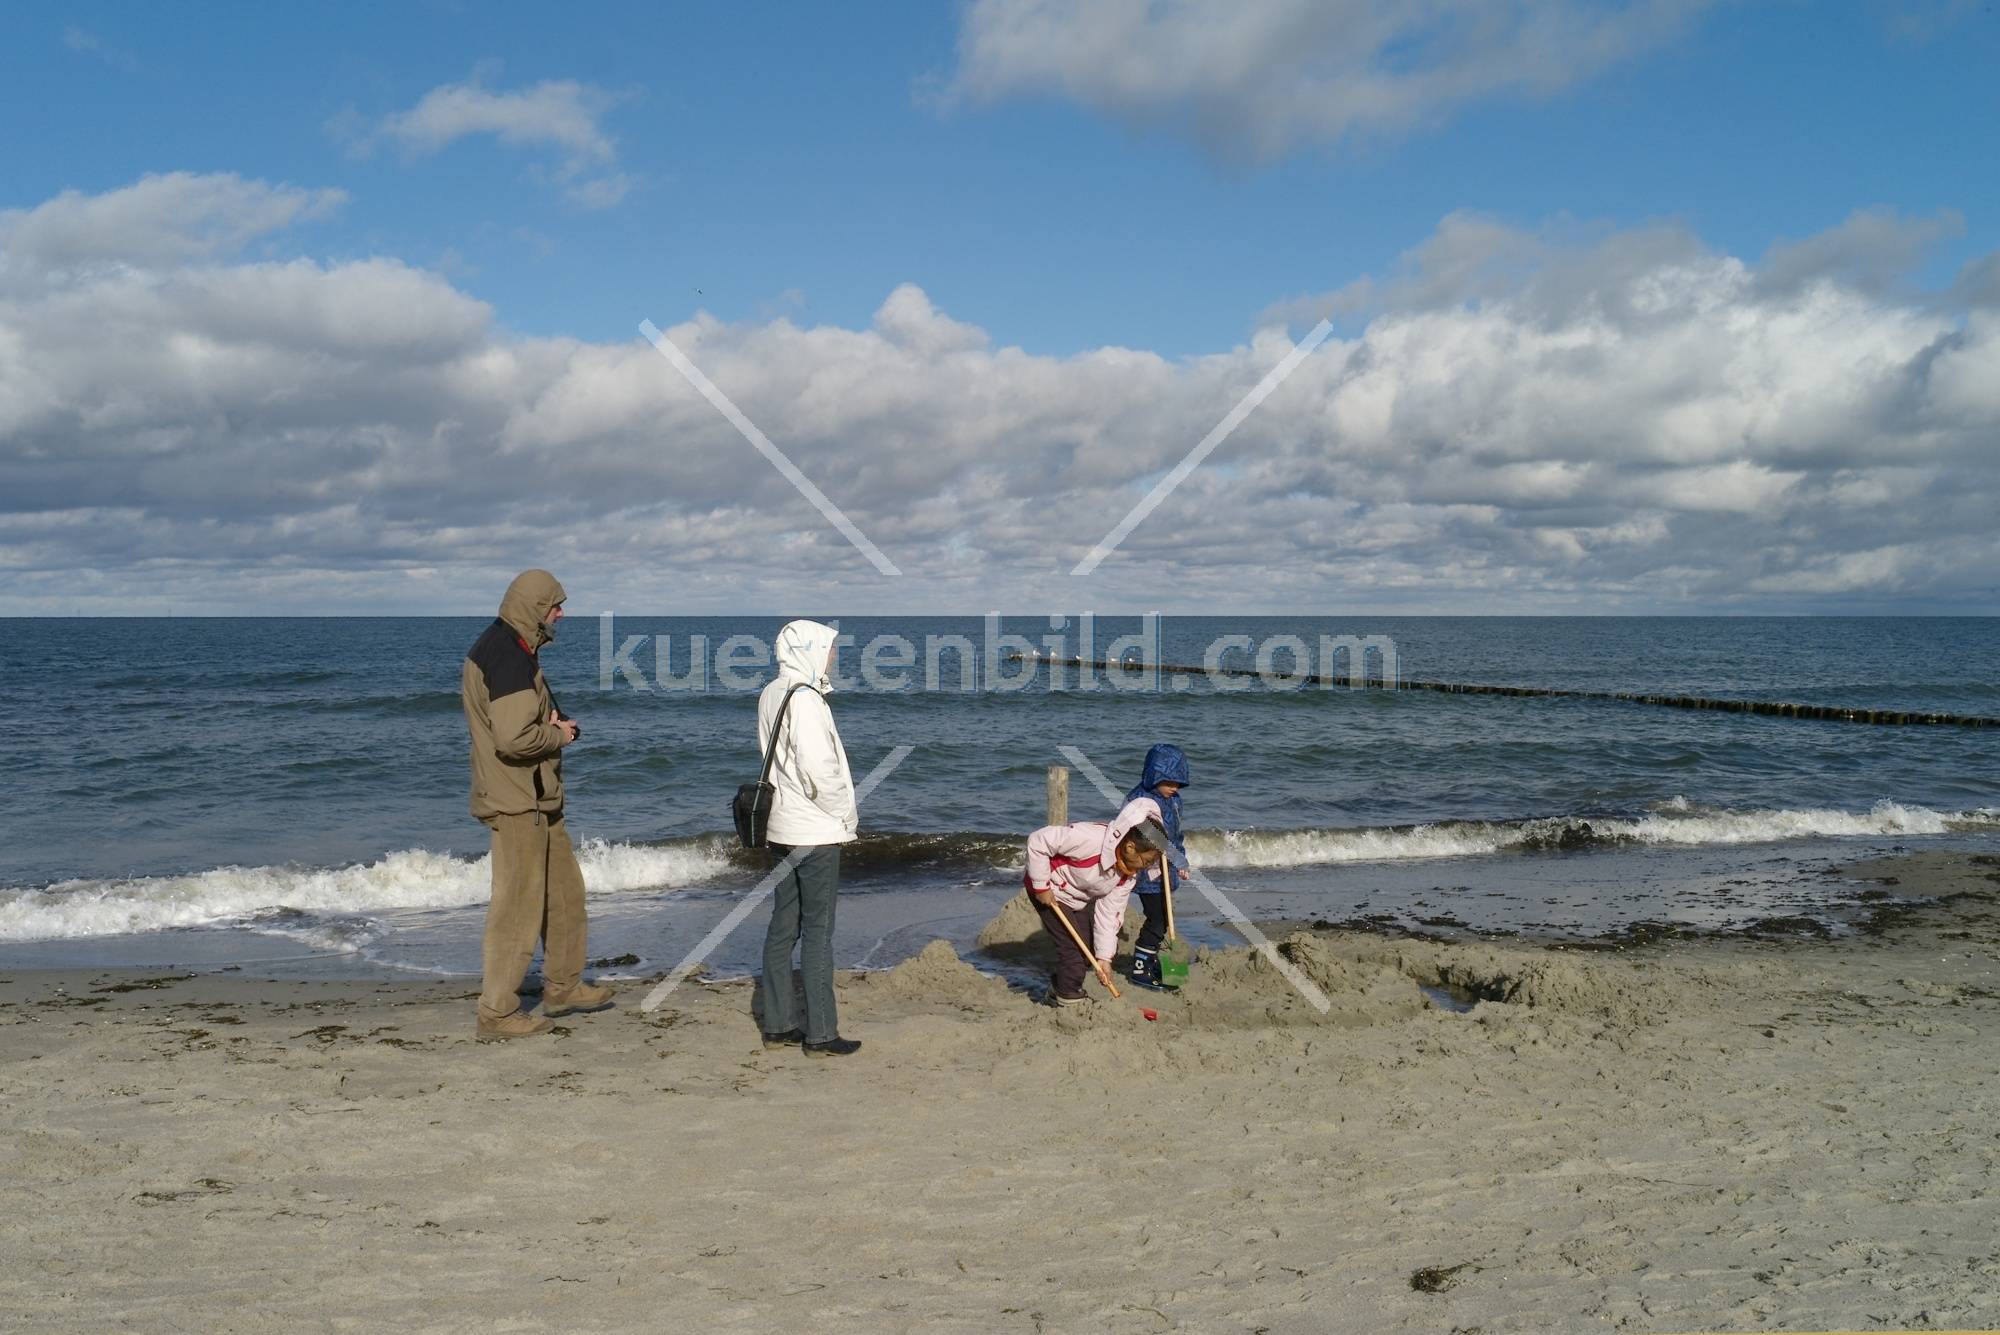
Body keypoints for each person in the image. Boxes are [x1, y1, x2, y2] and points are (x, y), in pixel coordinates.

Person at [460, 569, 613, 1040]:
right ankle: (498, 1013)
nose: (561, 614)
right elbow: (512, 738)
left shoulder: (513, 648)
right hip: (516, 800)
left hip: (538, 797)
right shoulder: (506, 655)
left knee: (565, 894)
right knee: (517, 910)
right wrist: (559, 734)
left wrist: (556, 721)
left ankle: (563, 987)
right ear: (534, 608)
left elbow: (530, 717)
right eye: (555, 605)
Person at [756, 619, 861, 1057]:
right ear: (809, 651)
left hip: (781, 827)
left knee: (784, 926)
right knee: (818, 932)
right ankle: (821, 1033)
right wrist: (843, 815)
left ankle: (778, 1023)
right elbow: (819, 770)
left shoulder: (771, 692)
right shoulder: (808, 701)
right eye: (829, 648)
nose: (834, 655)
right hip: (814, 831)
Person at [1024, 796, 1166, 1005]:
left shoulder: (1127, 876)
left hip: (1077, 898)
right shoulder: (1091, 839)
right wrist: (1041, 886)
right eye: (1146, 861)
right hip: (1050, 891)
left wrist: (1105, 959)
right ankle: (1068, 997)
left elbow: (1109, 915)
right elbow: (1038, 840)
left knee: (1086, 952)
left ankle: (1056, 989)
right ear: (1130, 847)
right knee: (1072, 952)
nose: (1146, 867)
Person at [1125, 744, 1191, 988]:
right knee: (1157, 919)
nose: (1174, 788)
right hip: (1146, 869)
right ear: (1155, 775)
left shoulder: (1173, 800)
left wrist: (1180, 859)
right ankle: (1140, 969)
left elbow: (1175, 835)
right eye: (1170, 782)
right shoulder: (1138, 800)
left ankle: (1150, 958)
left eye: (1179, 784)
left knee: (1164, 916)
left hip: (1166, 868)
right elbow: (1142, 834)